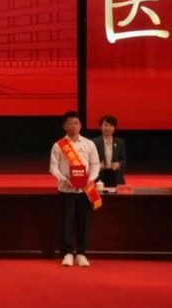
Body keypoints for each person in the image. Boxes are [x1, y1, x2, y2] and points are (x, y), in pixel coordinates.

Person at [49, 110, 101, 267]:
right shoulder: (59, 145)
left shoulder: (89, 144)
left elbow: (95, 164)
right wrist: (64, 180)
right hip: (66, 190)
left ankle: (81, 253)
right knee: (66, 222)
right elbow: (53, 167)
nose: (73, 126)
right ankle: (67, 253)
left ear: (81, 125)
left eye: (76, 123)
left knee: (82, 222)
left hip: (84, 190)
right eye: (70, 123)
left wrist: (90, 179)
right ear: (64, 126)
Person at [93, 115, 127, 192]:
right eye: (105, 125)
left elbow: (124, 161)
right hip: (100, 177)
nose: (108, 128)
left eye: (111, 126)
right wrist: (97, 165)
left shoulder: (120, 142)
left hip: (116, 177)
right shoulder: (94, 142)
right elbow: (89, 161)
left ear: (114, 128)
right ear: (101, 126)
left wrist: (119, 164)